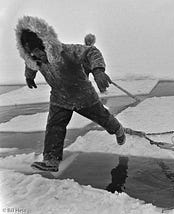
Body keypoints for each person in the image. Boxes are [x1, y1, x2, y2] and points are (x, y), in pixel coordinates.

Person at [15, 16, 126, 172]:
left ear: (44, 44)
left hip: (84, 96)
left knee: (103, 118)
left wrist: (98, 70)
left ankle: (118, 129)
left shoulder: (66, 51)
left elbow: (91, 51)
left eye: (38, 51)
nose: (36, 56)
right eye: (32, 53)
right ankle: (51, 161)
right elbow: (30, 65)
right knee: (54, 126)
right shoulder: (36, 60)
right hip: (59, 99)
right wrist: (29, 76)